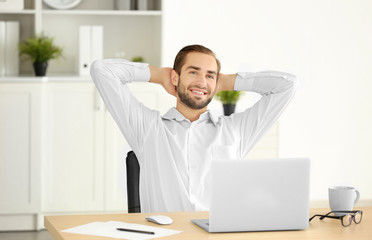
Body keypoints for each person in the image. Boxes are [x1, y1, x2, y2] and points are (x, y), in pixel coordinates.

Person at [90, 44, 296, 213]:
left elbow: (287, 85)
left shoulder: (235, 131)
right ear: (175, 77)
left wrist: (227, 82)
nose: (202, 82)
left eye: (210, 75)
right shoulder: (147, 128)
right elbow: (102, 70)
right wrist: (159, 75)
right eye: (193, 72)